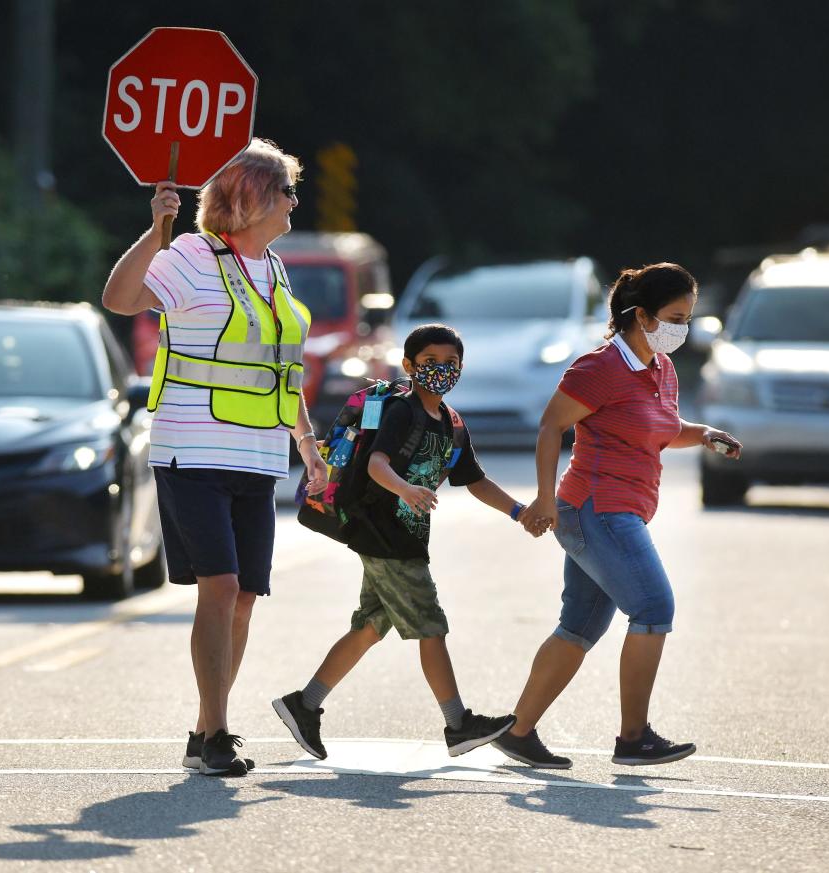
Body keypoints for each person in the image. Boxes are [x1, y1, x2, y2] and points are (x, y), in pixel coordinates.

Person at [101, 138, 329, 776]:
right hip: (190, 449)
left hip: (258, 456)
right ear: (252, 197)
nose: (294, 201)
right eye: (286, 190)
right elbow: (120, 299)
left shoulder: (274, 270)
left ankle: (205, 730)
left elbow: (282, 374)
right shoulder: (192, 256)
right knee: (220, 587)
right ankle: (221, 733)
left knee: (246, 597)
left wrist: (307, 447)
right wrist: (155, 231)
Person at [494, 263, 742, 769]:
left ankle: (517, 732)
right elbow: (550, 428)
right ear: (644, 316)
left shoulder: (661, 369)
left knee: (579, 628)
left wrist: (706, 434)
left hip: (619, 511)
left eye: (688, 317)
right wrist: (544, 498)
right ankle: (633, 738)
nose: (683, 327)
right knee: (653, 609)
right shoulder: (600, 367)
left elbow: (661, 430)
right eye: (676, 316)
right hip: (596, 510)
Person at [271, 323, 522, 760]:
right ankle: (458, 723)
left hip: (403, 534)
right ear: (408, 366)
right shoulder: (403, 412)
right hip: (383, 531)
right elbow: (377, 465)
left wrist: (520, 512)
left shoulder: (452, 424)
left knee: (370, 626)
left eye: (450, 364)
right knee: (430, 626)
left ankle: (304, 704)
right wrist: (405, 489)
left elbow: (474, 480)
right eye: (429, 363)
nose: (441, 371)